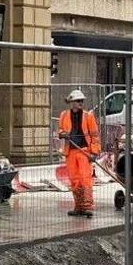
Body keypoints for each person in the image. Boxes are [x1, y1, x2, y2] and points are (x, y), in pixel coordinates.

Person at [58, 89, 100, 218]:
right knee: (74, 180)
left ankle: (87, 206)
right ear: (72, 102)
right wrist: (62, 134)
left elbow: (95, 136)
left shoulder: (88, 116)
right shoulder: (64, 115)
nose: (81, 103)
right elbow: (60, 130)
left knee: (85, 179)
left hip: (84, 151)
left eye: (81, 101)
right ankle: (79, 206)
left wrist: (94, 152)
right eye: (78, 101)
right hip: (70, 151)